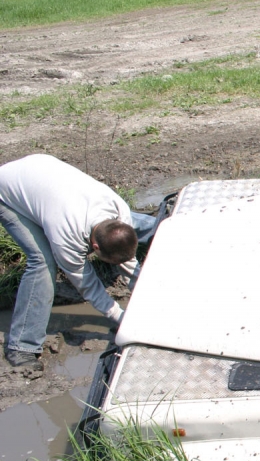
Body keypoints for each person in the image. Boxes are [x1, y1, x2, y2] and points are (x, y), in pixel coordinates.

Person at [0, 154, 156, 371]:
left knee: (149, 225)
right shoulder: (66, 238)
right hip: (7, 190)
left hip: (43, 174)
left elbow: (128, 263)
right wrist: (123, 319)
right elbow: (89, 288)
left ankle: (179, 227)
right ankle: (22, 346)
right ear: (95, 248)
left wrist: (148, 296)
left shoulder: (118, 209)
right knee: (43, 262)